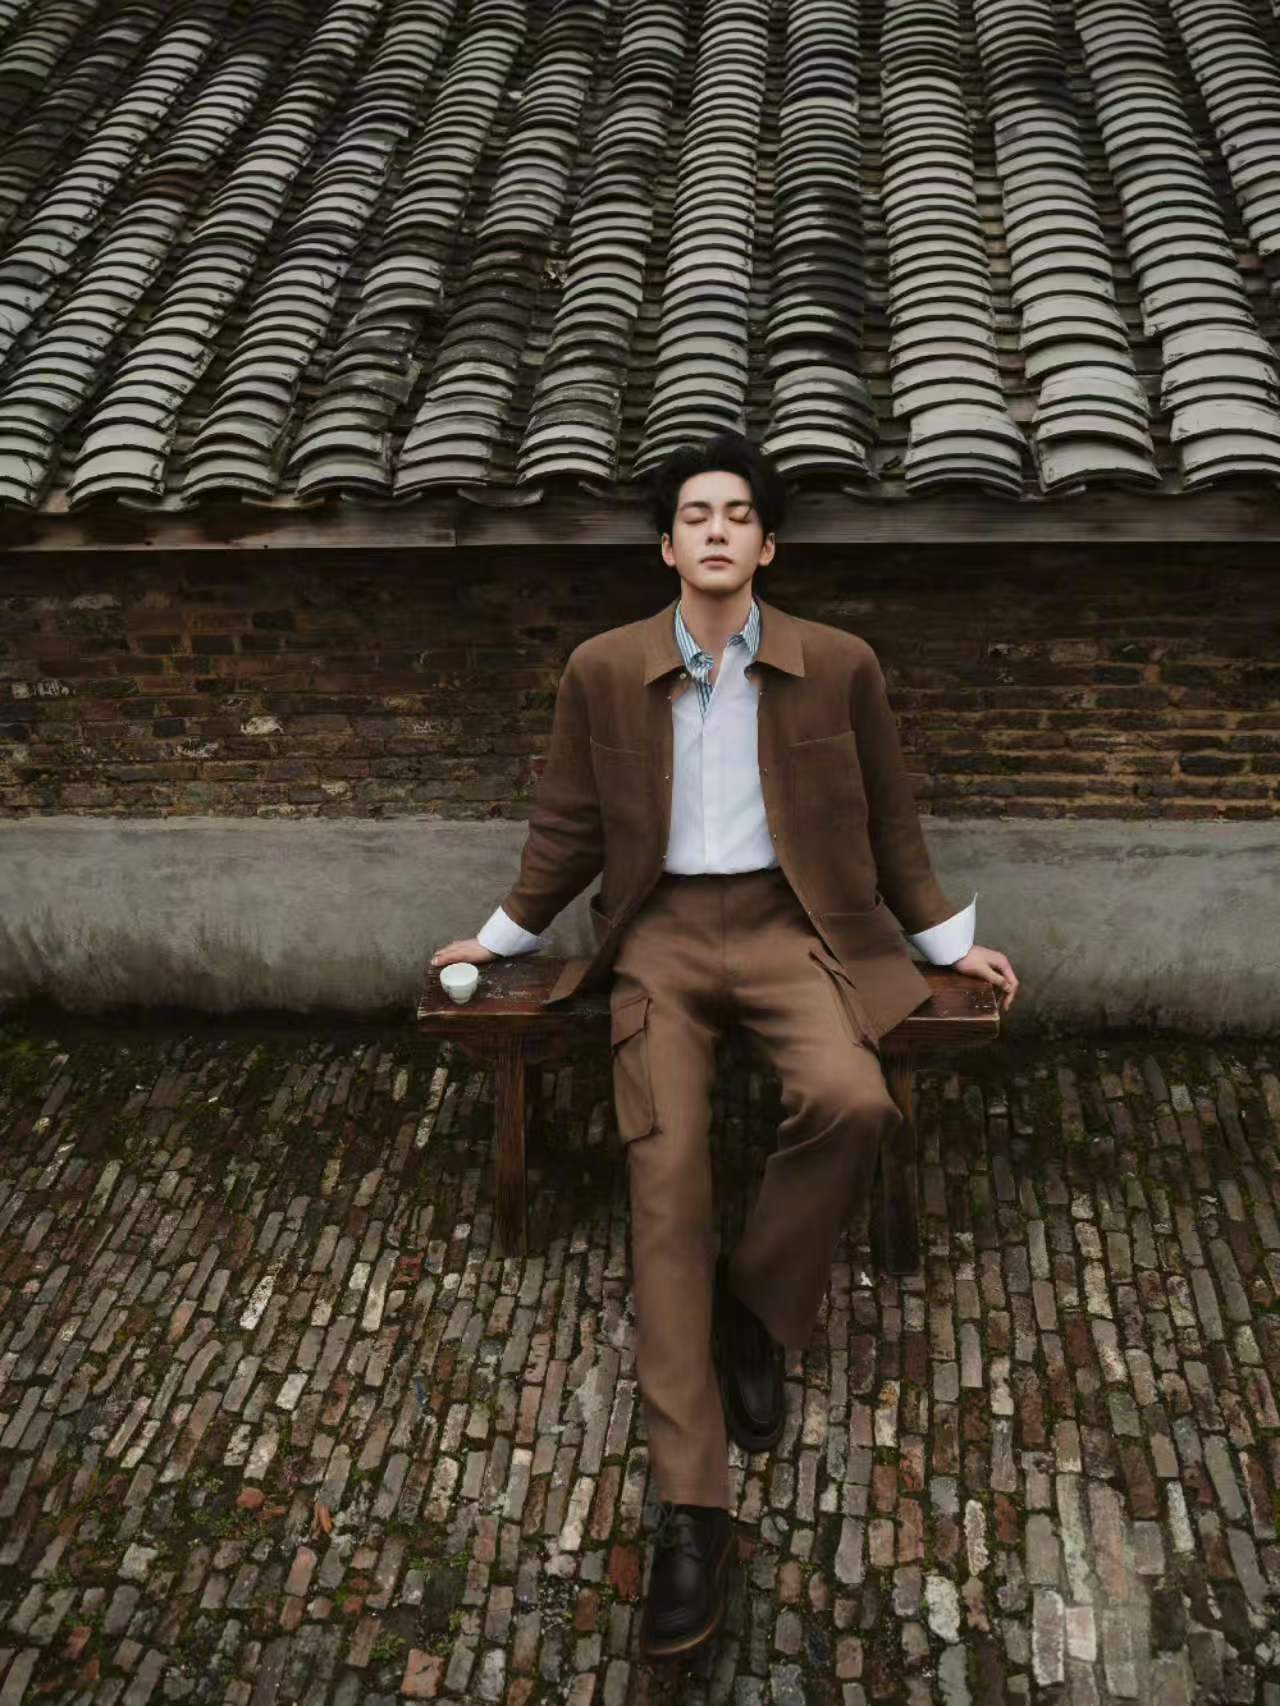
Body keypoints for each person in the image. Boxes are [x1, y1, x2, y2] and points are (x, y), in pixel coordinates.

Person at [431, 431, 1019, 1661]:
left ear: (766, 544)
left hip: (792, 928)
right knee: (666, 1178)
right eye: (693, 513)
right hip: (658, 937)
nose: (713, 528)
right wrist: (496, 938)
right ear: (665, 544)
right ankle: (692, 1511)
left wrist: (945, 943)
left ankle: (753, 1304)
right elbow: (564, 827)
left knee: (854, 1101)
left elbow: (892, 821)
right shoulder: (602, 668)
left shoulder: (837, 663)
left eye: (735, 513)